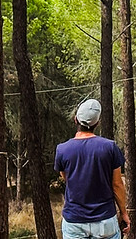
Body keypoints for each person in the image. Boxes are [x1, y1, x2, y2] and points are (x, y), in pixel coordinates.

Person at [55, 99, 130, 239]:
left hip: (74, 221)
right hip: (105, 220)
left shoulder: (62, 150)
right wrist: (124, 213)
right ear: (97, 123)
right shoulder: (110, 147)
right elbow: (117, 184)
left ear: (75, 119)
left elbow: (65, 177)